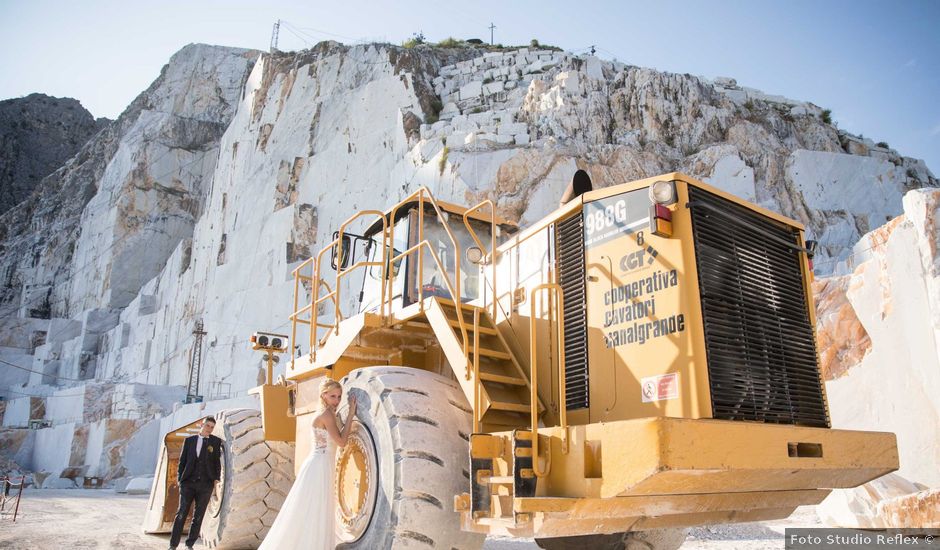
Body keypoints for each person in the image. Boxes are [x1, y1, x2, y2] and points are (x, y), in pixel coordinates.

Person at [259, 379, 358, 550]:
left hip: (320, 464)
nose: (336, 400)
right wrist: (351, 415)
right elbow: (341, 441)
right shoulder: (327, 415)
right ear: (323, 395)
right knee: (316, 510)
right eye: (333, 396)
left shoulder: (327, 413)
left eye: (339, 396)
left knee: (313, 509)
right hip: (320, 466)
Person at [169, 415, 222, 550]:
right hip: (188, 483)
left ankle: (189, 545)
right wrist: (181, 479)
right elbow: (182, 462)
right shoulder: (189, 441)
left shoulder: (215, 442)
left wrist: (216, 480)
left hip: (206, 485)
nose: (209, 429)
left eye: (212, 427)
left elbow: (217, 462)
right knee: (181, 514)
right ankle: (173, 545)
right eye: (207, 425)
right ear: (201, 425)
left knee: (198, 516)